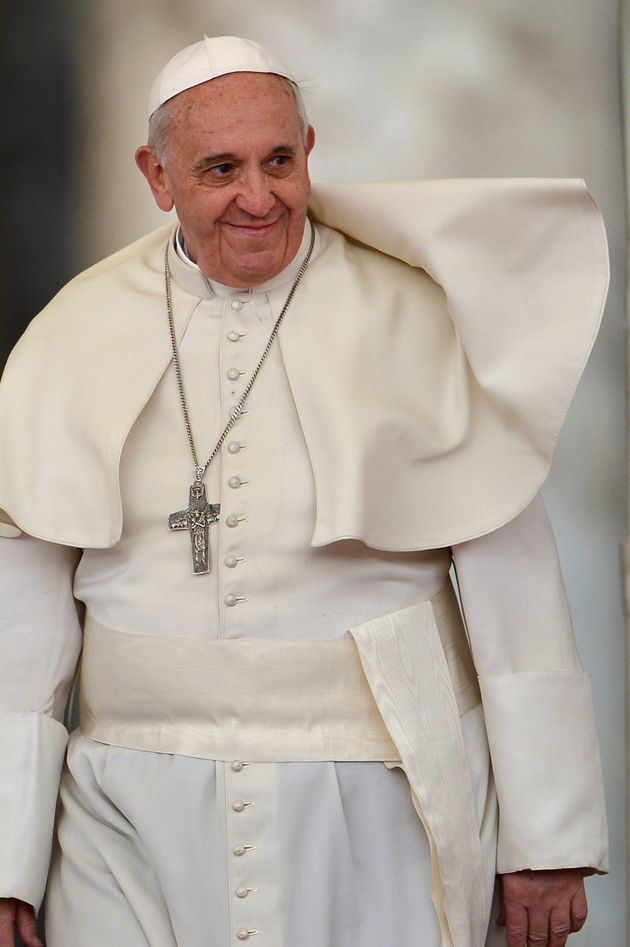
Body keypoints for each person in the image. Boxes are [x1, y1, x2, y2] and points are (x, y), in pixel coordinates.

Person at [0, 35, 609, 947]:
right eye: (221, 169)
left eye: (279, 160)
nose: (260, 197)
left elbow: (515, 593)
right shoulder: (71, 335)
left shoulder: (412, 317)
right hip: (125, 817)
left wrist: (546, 839)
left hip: (378, 804)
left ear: (310, 150)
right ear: (157, 177)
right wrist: (6, 861)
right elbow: (22, 631)